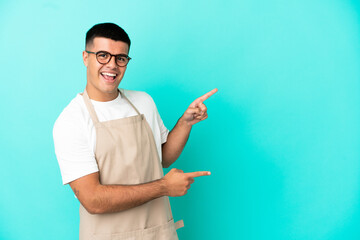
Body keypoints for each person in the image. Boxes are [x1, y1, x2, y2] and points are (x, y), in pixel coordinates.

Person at [53, 22, 217, 240]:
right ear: (86, 57)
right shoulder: (72, 121)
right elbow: (93, 200)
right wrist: (164, 187)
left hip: (159, 233)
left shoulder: (143, 101)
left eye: (120, 58)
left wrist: (185, 123)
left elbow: (164, 157)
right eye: (103, 55)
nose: (112, 65)